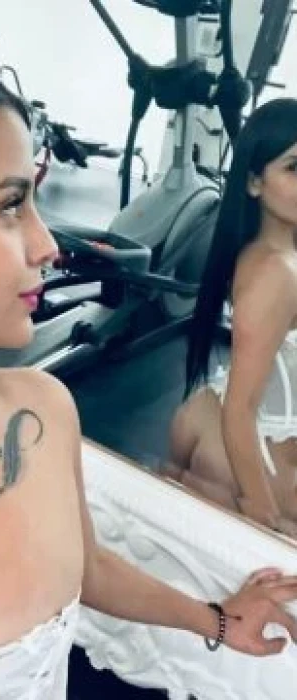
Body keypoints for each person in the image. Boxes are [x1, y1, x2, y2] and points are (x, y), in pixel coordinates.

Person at [0, 34, 297, 700]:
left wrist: (221, 621)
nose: (47, 243)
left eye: (36, 200)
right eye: (10, 204)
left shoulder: (41, 408)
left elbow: (86, 568)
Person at [166, 98, 297, 539]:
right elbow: (240, 409)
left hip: (226, 412)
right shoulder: (275, 273)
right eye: (295, 168)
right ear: (255, 183)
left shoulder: (277, 253)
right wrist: (262, 517)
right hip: (251, 439)